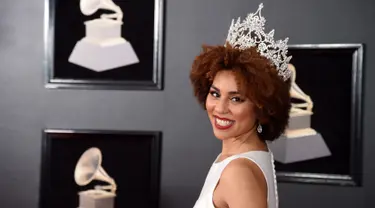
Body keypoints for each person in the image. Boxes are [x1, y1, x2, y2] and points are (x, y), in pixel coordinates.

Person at [189, 3, 292, 208]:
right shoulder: (237, 158)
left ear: (262, 106)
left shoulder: (238, 173)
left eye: (236, 98)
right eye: (215, 94)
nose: (220, 108)